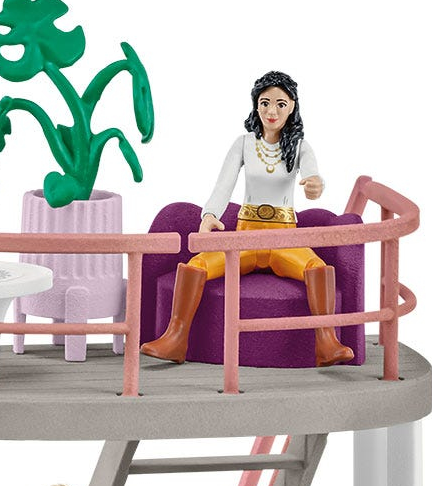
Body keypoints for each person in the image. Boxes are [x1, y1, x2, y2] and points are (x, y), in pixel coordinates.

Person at [141, 71, 354, 367]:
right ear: (256, 105)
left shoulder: (300, 147)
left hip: (285, 238)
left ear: (292, 107)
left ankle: (326, 341)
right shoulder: (244, 143)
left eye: (280, 104)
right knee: (197, 264)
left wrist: (316, 184)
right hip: (245, 236)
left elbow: (312, 174)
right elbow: (223, 185)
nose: (271, 111)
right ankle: (175, 338)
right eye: (265, 103)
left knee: (317, 267)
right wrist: (210, 215)